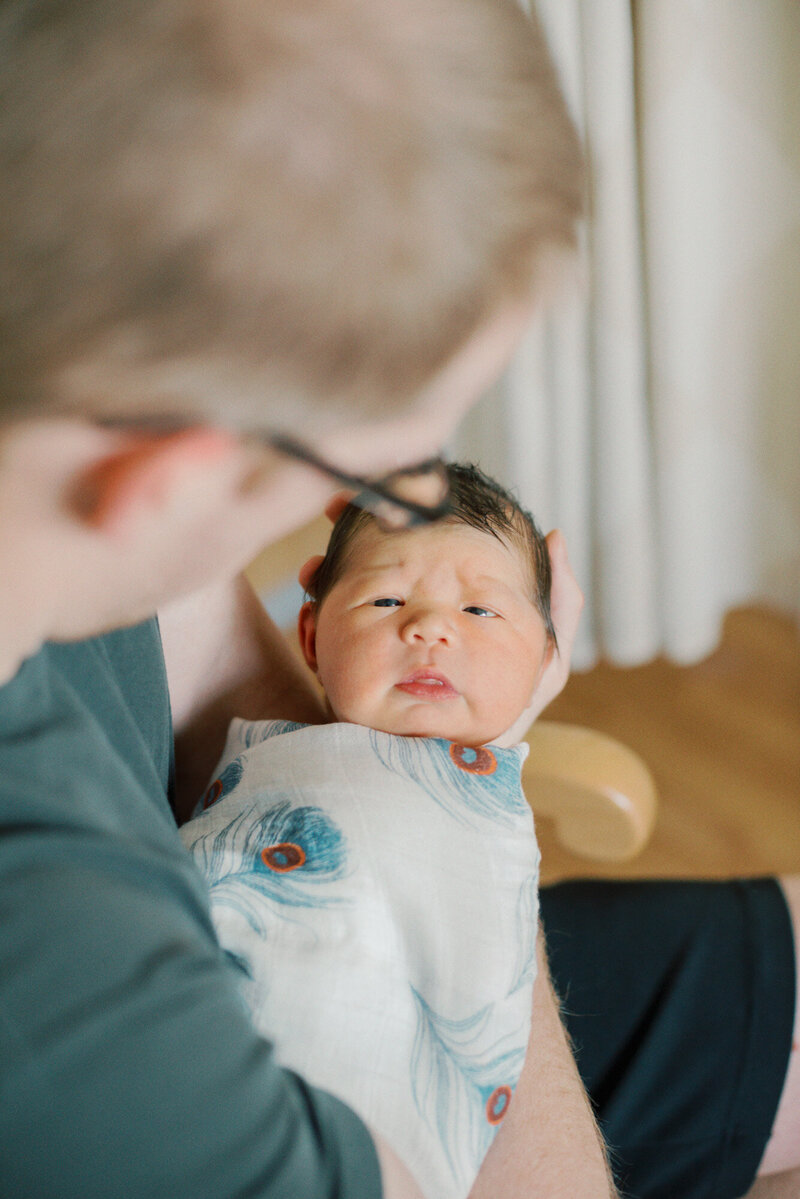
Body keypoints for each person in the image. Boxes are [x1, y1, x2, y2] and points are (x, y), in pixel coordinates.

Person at [0, 2, 615, 1197]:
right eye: (373, 479)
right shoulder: (79, 1011)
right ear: (166, 483)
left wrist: (427, 762)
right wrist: (448, 817)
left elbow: (190, 641)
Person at [180, 463, 559, 1199]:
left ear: (546, 656)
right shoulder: (267, 756)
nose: (429, 626)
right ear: (312, 638)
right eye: (386, 598)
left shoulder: (488, 814)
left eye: (481, 611)